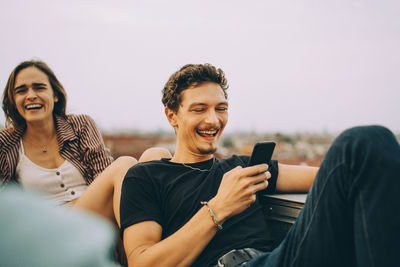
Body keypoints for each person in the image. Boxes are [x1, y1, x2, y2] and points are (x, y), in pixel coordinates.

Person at [120, 63, 400, 267]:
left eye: (221, 108)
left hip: (276, 260)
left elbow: (338, 173)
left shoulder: (243, 167)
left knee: (365, 142)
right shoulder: (146, 176)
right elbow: (143, 263)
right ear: (172, 116)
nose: (213, 120)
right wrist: (219, 208)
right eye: (199, 109)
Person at [0, 60, 171, 237]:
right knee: (124, 163)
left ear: (55, 95)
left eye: (39, 88)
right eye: (21, 90)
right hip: (48, 227)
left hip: (97, 214)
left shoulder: (79, 125)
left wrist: (80, 202)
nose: (31, 95)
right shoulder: (5, 144)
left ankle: (149, 245)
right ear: (13, 100)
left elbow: (103, 175)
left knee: (157, 155)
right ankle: (143, 252)